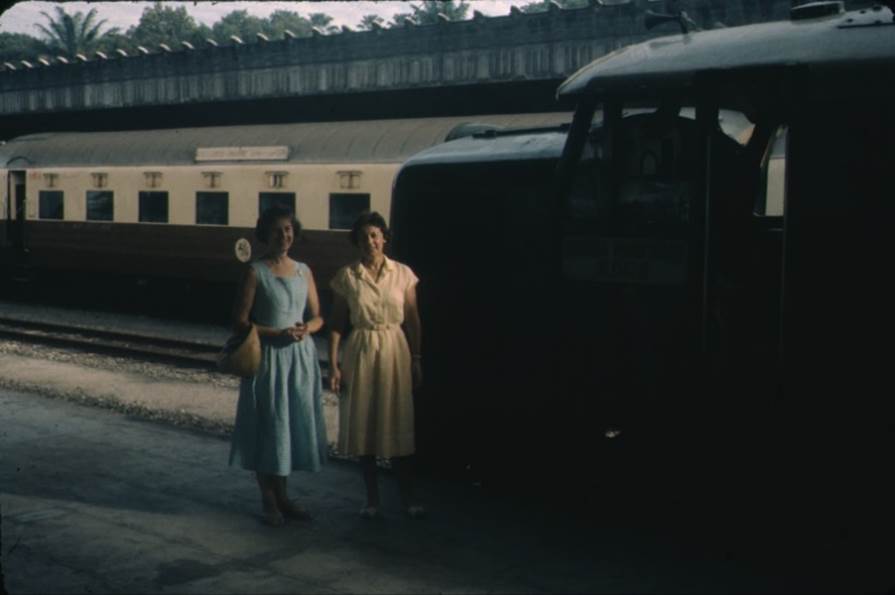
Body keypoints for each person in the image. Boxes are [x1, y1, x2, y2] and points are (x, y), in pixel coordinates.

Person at [229, 205, 328, 527]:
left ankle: (284, 497)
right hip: (269, 358)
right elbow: (240, 322)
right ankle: (268, 499)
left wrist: (306, 329)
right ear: (264, 234)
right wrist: (277, 333)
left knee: (286, 428)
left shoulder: (304, 270)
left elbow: (318, 316)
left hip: (299, 358)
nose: (283, 235)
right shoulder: (255, 271)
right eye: (276, 230)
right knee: (269, 426)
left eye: (287, 229)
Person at [328, 211, 425, 519]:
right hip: (361, 351)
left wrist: (417, 359)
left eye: (375, 235)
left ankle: (408, 499)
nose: (370, 241)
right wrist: (334, 364)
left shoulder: (403, 274)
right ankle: (372, 500)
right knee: (365, 424)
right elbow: (336, 325)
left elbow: (413, 319)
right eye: (364, 236)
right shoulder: (347, 277)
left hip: (396, 350)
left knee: (399, 422)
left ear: (384, 238)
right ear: (356, 242)